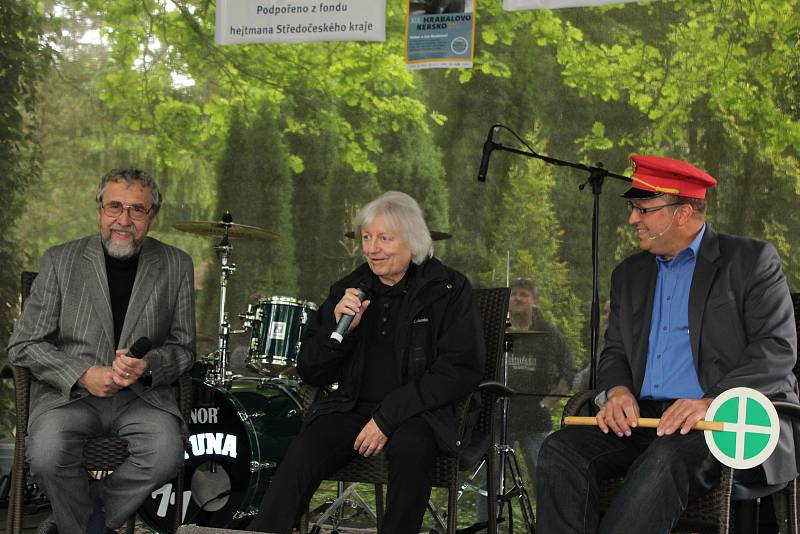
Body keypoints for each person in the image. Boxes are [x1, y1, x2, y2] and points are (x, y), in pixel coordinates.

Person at [536, 155, 799, 533]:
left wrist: (709, 401)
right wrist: (619, 391)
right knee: (560, 450)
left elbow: (777, 349)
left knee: (666, 458)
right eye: (633, 208)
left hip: (716, 422)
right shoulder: (629, 274)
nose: (632, 220)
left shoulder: (751, 261)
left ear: (683, 213)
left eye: (644, 209)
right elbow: (614, 351)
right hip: (643, 418)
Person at [247, 191, 485, 534]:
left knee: (411, 448)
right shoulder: (350, 289)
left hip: (420, 412)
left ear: (414, 241)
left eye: (385, 238)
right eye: (367, 238)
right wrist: (338, 329)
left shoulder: (447, 289)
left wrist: (387, 417)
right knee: (305, 449)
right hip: (352, 407)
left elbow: (459, 369)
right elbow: (310, 369)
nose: (373, 248)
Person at [8, 168, 196, 534]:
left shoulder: (176, 264)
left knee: (166, 453)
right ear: (99, 209)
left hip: (141, 397)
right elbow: (23, 345)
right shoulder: (60, 261)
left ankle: (78, 523)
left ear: (151, 217)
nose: (123, 220)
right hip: (71, 397)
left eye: (136, 210)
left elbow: (185, 349)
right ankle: (91, 526)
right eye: (115, 207)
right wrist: (82, 373)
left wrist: (149, 365)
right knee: (46, 453)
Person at [505, 277, 574, 480]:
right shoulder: (498, 330)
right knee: (489, 483)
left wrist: (548, 402)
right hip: (500, 418)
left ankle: (547, 513)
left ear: (534, 301)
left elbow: (568, 371)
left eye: (524, 295)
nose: (517, 298)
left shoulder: (549, 334)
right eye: (514, 294)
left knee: (545, 477)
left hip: (535, 419)